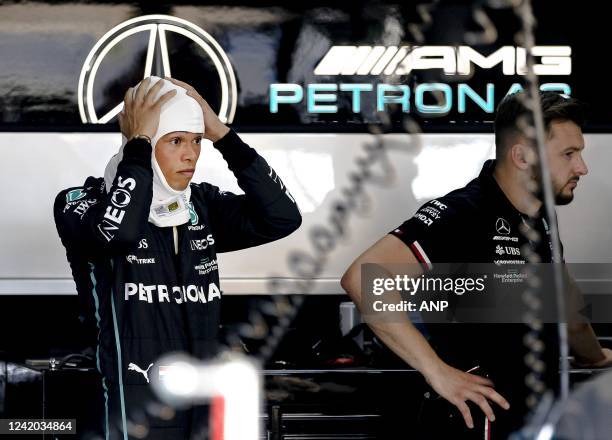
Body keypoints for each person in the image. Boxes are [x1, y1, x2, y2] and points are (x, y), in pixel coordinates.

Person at [340, 91, 612, 438]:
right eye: (569, 154)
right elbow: (363, 278)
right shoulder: (463, 213)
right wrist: (437, 371)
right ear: (522, 156)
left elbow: (565, 304)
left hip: (534, 417)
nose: (582, 167)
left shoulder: (542, 219)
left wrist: (596, 357)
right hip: (480, 421)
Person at [54, 76, 302, 439]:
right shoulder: (81, 203)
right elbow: (119, 234)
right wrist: (137, 144)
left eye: (196, 141)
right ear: (144, 142)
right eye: (174, 141)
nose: (190, 155)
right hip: (132, 399)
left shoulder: (201, 205)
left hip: (200, 396)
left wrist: (223, 135)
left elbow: (282, 217)